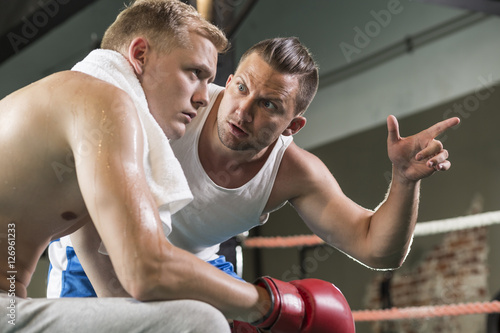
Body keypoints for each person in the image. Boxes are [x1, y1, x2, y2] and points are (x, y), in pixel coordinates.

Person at [48, 35, 459, 331]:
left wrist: (404, 181)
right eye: (241, 88)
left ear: (292, 126)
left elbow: (376, 248)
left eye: (268, 105)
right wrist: (128, 305)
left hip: (194, 268)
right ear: (227, 83)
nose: (242, 112)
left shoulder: (293, 172)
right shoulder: (174, 107)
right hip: (96, 256)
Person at [0, 0, 298, 332]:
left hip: (11, 307)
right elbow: (146, 270)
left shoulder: (75, 102)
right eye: (195, 73)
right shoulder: (106, 103)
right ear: (140, 55)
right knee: (201, 322)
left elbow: (114, 290)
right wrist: (266, 304)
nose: (203, 97)